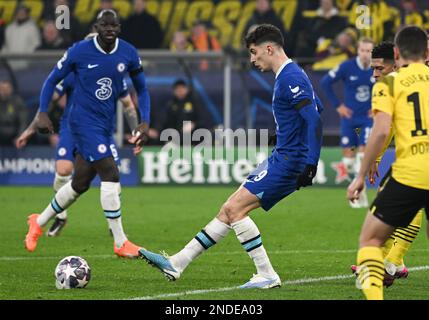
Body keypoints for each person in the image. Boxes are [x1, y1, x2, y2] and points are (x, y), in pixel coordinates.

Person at [138, 24, 323, 289]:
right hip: (283, 154)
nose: (252, 59)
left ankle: (267, 274)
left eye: (253, 52)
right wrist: (283, 133)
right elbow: (317, 106)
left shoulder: (290, 77)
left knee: (235, 210)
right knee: (228, 209)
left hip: (289, 161)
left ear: (268, 49)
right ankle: (177, 262)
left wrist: (311, 163)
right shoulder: (293, 73)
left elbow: (314, 117)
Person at [24, 10, 151, 258]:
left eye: (113, 25)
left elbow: (142, 89)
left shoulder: (128, 52)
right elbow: (52, 80)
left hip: (103, 126)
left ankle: (38, 222)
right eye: (104, 25)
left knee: (79, 184)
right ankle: (120, 242)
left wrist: (144, 122)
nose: (109, 29)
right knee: (111, 172)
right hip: (81, 123)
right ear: (97, 27)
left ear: (119, 27)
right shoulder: (79, 50)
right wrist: (41, 111)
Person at [347, 25, 429, 300]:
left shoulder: (389, 84)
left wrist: (362, 171)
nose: (375, 74)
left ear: (397, 53)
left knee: (369, 238)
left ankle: (388, 263)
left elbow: (383, 129)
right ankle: (394, 260)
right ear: (427, 52)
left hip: (412, 170)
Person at [320, 37, 375, 208]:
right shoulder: (347, 66)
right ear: (358, 51)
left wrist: (377, 106)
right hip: (349, 119)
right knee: (349, 161)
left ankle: (360, 191)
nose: (365, 54)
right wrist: (338, 106)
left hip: (366, 120)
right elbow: (325, 83)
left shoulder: (378, 69)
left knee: (362, 154)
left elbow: (388, 87)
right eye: (362, 50)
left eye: (369, 51)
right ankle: (358, 186)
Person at [0, 79, 28, 146]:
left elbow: (23, 121)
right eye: (2, 88)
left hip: (13, 132)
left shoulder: (17, 101)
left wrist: (20, 136)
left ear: (11, 89)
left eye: (6, 88)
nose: (4, 91)